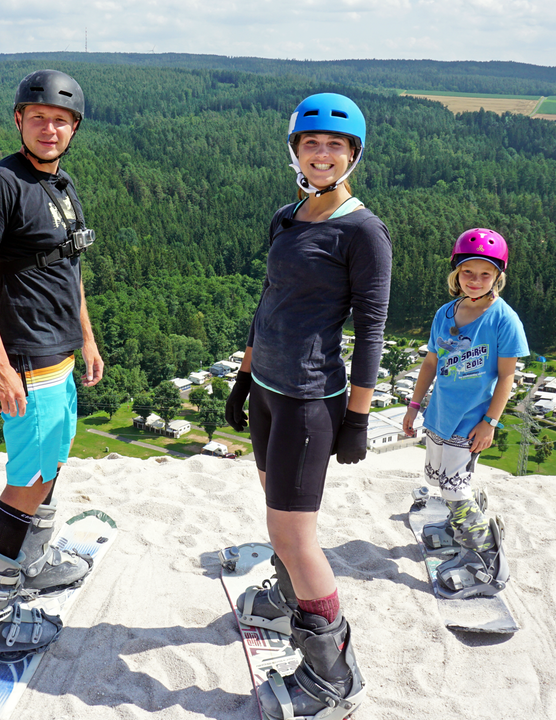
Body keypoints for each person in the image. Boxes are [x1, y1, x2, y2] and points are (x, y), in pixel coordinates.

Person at [224, 93, 392, 720]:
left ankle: (332, 676)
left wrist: (358, 417)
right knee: (278, 523)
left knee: (295, 536)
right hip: (269, 389)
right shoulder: (288, 216)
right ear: (295, 151)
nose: (322, 155)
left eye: (335, 146)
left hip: (308, 399)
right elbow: (268, 301)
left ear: (353, 155)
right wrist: (244, 376)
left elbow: (371, 330)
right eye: (311, 144)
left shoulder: (363, 232)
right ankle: (288, 601)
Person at [0, 69, 104, 664]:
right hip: (26, 355)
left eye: (61, 120)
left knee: (53, 462)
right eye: (38, 117)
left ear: (74, 129)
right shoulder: (0, 184)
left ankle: (33, 561)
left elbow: (69, 268)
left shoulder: (61, 185)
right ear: (19, 120)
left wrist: (86, 338)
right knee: (28, 479)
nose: (50, 128)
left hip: (59, 349)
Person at [403, 228, 528, 598]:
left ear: (498, 276)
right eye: (468, 272)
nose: (475, 280)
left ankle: (486, 560)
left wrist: (490, 423)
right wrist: (414, 405)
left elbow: (507, 377)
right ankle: (459, 523)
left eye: (485, 274)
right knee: (438, 477)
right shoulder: (445, 313)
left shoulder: (503, 320)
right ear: (456, 273)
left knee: (454, 487)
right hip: (441, 414)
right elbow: (431, 362)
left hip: (472, 421)